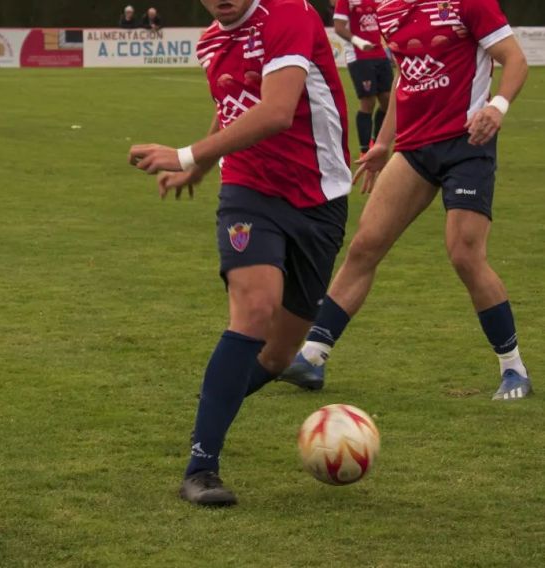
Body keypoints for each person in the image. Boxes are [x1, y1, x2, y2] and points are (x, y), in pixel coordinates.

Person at [128, 0, 350, 506]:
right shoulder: (211, 41)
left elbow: (275, 110)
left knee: (277, 355)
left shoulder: (290, 13)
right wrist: (203, 169)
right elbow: (232, 106)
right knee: (254, 308)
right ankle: (201, 466)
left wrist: (187, 155)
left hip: (321, 198)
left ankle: (213, 405)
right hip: (248, 190)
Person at [281, 0, 531, 401]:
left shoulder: (468, 3)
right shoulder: (387, 9)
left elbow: (515, 59)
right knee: (365, 245)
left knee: (465, 253)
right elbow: (405, 77)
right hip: (414, 148)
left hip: (468, 143)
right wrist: (383, 142)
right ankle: (313, 355)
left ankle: (513, 367)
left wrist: (497, 107)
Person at [333, 0, 393, 156]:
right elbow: (339, 27)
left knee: (388, 100)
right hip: (359, 55)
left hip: (380, 54)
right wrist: (359, 42)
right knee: (368, 101)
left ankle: (377, 141)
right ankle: (364, 150)